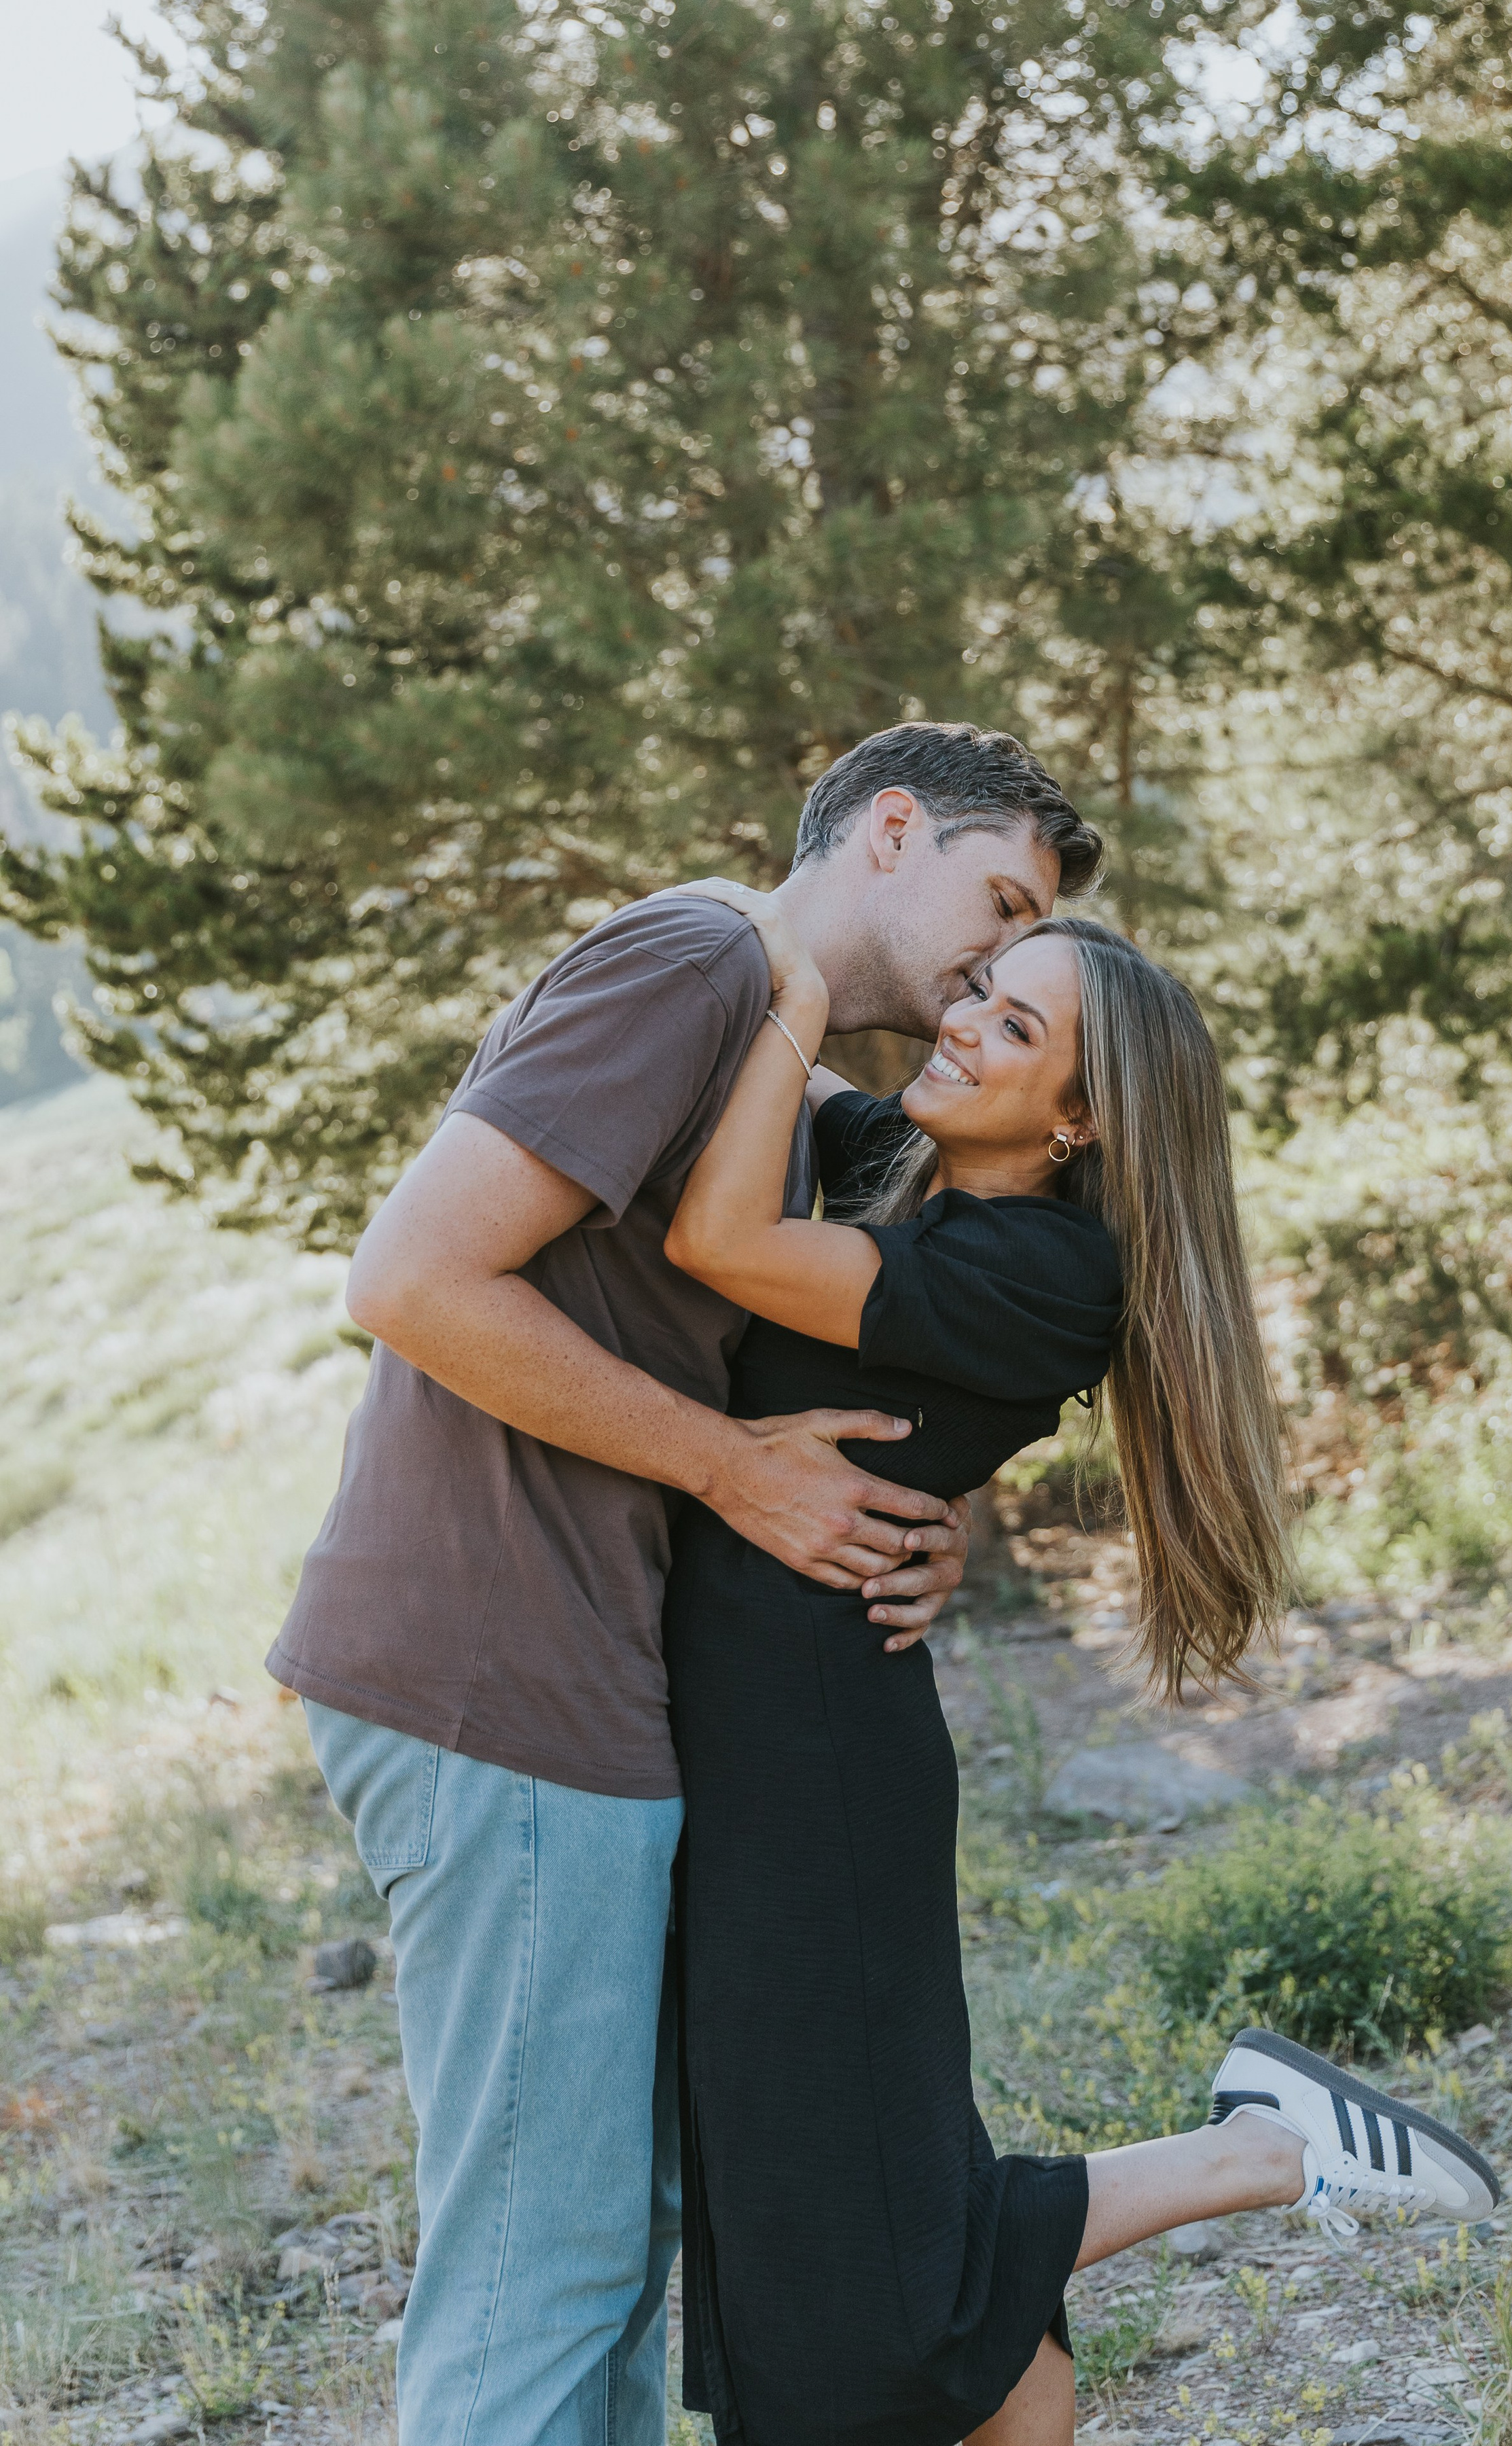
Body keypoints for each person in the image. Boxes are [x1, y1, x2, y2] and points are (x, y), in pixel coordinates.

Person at [265, 724, 1104, 2446]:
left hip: (582, 1680)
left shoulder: (774, 1046)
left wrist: (912, 1507)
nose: (987, 966)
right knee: (540, 2278)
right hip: (499, 1671)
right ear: (890, 829)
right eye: (1000, 905)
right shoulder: (704, 959)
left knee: (597, 2257)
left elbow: (820, 1325)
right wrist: (731, 1469)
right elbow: (410, 1278)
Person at [659, 888, 1503, 2446]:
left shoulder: (1046, 1266)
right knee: (833, 2222)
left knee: (846, 2271)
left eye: (1013, 1024)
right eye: (975, 989)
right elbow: (800, 1082)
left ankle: (1257, 2153)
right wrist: (768, 931)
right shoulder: (915, 1168)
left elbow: (713, 1236)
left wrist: (778, 962)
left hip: (809, 1760)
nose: (960, 1024)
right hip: (773, 1732)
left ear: (1080, 1119)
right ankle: (1241, 2158)